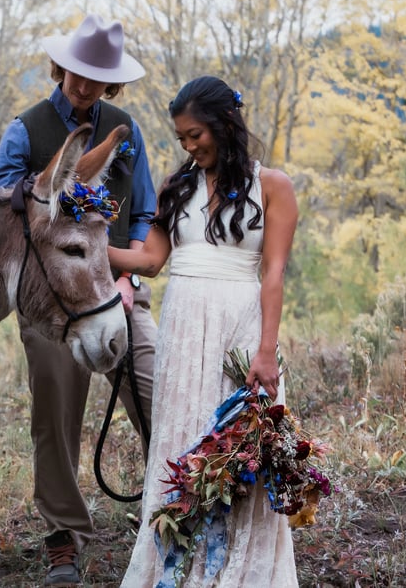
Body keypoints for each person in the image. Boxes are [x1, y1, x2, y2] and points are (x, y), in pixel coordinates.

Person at [109, 76, 299, 587]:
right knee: (180, 443)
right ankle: (173, 571)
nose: (190, 146)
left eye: (196, 135)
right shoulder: (178, 187)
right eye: (182, 139)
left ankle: (234, 574)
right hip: (183, 332)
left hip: (239, 330)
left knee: (235, 451)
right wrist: (87, 246)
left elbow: (274, 274)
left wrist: (265, 351)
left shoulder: (273, 186)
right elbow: (149, 260)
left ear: (224, 124)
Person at [0, 14, 159, 586]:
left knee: (154, 387)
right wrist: (53, 183)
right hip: (50, 294)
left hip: (113, 285)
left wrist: (131, 278)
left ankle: (175, 511)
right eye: (76, 75)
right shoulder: (26, 128)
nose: (83, 87)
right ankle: (64, 534)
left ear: (110, 82)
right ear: (61, 67)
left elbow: (143, 212)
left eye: (96, 79)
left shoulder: (125, 127)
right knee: (56, 409)